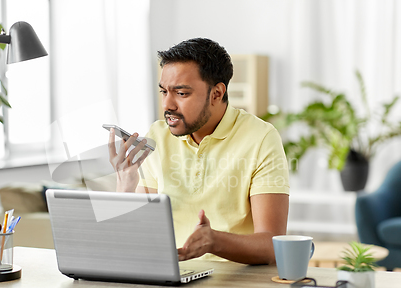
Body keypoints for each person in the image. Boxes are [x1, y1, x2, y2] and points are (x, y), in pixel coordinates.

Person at [108, 38, 289, 265]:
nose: (167, 105)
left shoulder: (261, 137)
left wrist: (214, 242)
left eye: (181, 93)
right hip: (170, 273)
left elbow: (273, 244)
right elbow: (138, 236)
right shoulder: (157, 135)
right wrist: (124, 188)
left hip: (236, 279)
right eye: (164, 91)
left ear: (216, 93)